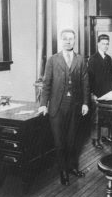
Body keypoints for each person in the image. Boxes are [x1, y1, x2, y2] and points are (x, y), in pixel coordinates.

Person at [38, 29, 89, 186]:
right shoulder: (53, 60)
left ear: (74, 41)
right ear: (61, 41)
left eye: (71, 39)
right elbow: (46, 85)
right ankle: (63, 172)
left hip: (75, 106)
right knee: (60, 142)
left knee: (72, 140)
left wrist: (86, 103)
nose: (68, 41)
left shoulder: (80, 60)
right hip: (57, 107)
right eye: (65, 39)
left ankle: (72, 167)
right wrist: (42, 105)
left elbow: (85, 83)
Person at [88, 34, 112, 149]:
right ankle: (95, 139)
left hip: (108, 92)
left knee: (108, 116)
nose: (105, 46)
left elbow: (110, 76)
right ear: (98, 44)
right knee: (97, 118)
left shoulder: (108, 58)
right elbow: (89, 78)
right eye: (103, 44)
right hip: (97, 93)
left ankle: (105, 136)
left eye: (107, 44)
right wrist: (92, 93)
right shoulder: (93, 59)